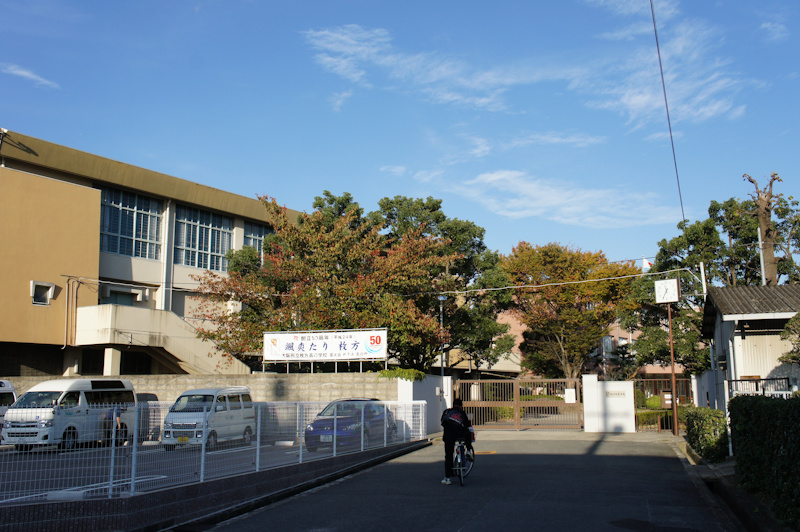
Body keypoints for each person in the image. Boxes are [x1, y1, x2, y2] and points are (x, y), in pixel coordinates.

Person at [440, 398, 473, 485]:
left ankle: (447, 478)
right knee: (467, 432)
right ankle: (468, 450)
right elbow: (467, 424)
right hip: (459, 435)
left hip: (448, 436)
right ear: (461, 406)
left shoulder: (447, 412)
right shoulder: (461, 413)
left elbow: (442, 422)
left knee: (448, 455)